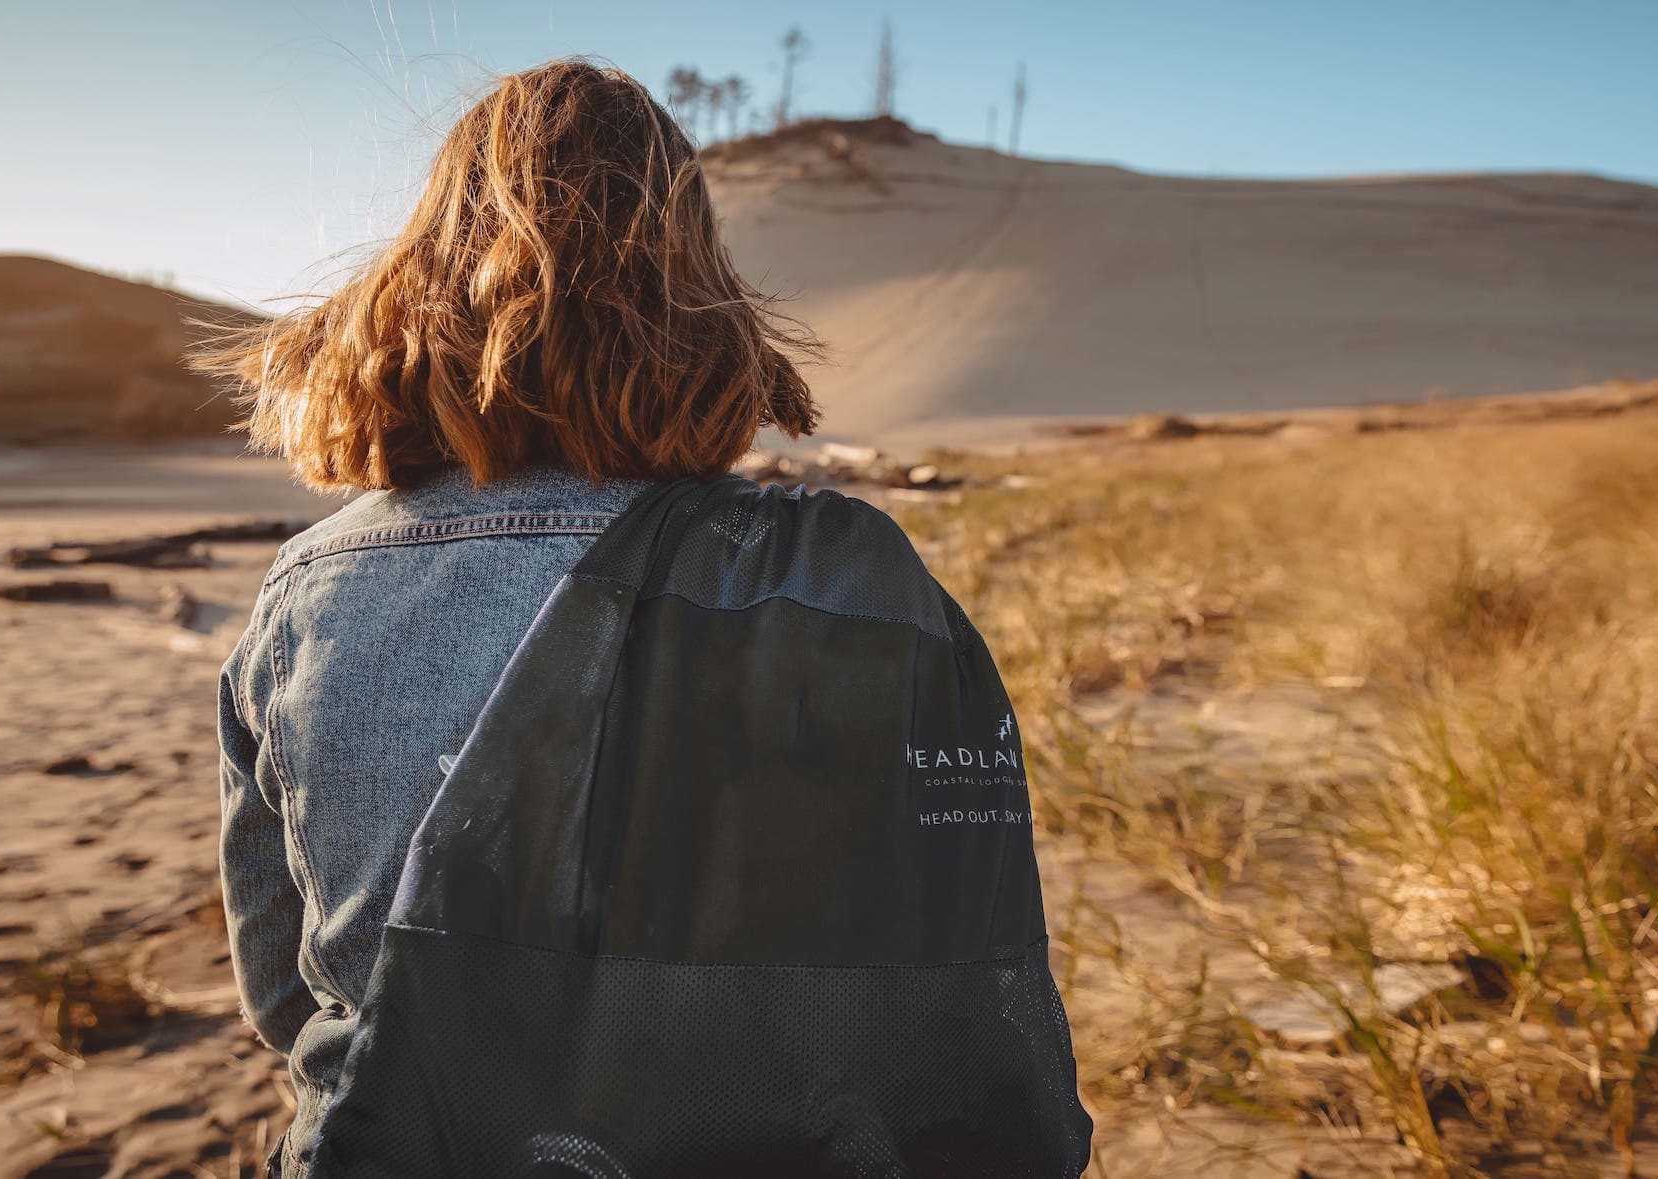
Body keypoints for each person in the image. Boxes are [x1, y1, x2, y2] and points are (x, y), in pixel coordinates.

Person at [204, 60, 1087, 1177]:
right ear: (698, 290)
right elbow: (951, 965)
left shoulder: (303, 592)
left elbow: (288, 998)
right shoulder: (841, 580)